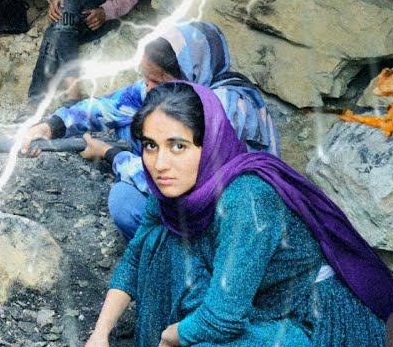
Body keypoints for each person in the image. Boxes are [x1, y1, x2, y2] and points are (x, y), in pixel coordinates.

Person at [77, 82, 393, 347]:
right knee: (160, 245)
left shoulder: (246, 197)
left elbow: (223, 318)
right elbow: (136, 255)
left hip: (318, 329)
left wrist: (171, 335)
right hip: (263, 307)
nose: (161, 163)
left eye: (178, 146)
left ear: (208, 142)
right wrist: (101, 333)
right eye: (150, 146)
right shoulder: (172, 189)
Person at [21, 22, 279, 239]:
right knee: (129, 121)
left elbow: (184, 187)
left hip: (224, 217)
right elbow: (110, 106)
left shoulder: (219, 110)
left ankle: (176, 261)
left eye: (157, 81)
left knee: (123, 200)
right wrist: (52, 126)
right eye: (146, 77)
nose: (147, 87)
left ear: (189, 74)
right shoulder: (178, 87)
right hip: (196, 188)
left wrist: (110, 154)